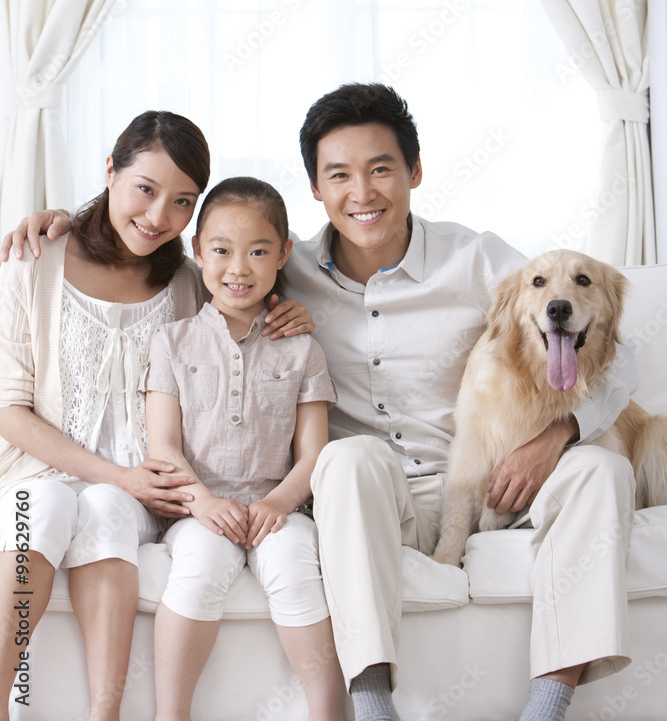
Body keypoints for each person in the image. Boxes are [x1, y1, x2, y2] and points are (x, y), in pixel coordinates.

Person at [2, 85, 638, 721]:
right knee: (348, 457)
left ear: (415, 172)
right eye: (339, 175)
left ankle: (548, 705)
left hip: (480, 479)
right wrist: (62, 221)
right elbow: (206, 262)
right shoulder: (280, 267)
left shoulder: (480, 261)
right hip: (369, 491)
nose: (361, 193)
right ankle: (371, 706)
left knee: (602, 469)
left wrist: (557, 436)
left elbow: (617, 354)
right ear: (315, 188)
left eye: (381, 169)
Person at [0, 113, 310, 721]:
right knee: (53, 502)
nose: (158, 216)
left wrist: (289, 314)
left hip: (147, 496)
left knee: (108, 506)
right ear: (110, 171)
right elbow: (8, 410)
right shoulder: (32, 265)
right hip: (40, 478)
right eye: (144, 188)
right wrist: (116, 476)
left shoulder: (193, 285)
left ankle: (106, 713)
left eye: (182, 202)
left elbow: (255, 286)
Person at [144, 177, 346, 721]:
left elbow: (313, 455)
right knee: (201, 565)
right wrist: (204, 504)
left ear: (283, 254)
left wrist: (278, 505)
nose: (239, 268)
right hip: (197, 509)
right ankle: (172, 714)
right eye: (222, 251)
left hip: (278, 508)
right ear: (197, 252)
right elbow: (163, 445)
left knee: (295, 563)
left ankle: (330, 712)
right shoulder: (172, 342)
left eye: (258, 251)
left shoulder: (302, 349)